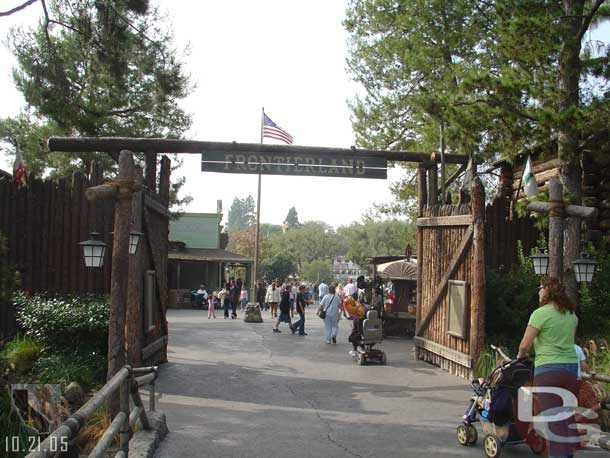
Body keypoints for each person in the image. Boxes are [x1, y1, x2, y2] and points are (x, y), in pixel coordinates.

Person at [517, 276, 580, 458]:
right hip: (570, 369)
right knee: (566, 416)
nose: (538, 291)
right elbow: (570, 341)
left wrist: (522, 356)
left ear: (547, 291)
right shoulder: (571, 315)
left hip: (549, 370)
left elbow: (524, 345)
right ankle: (568, 455)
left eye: (541, 288)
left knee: (553, 420)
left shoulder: (540, 313)